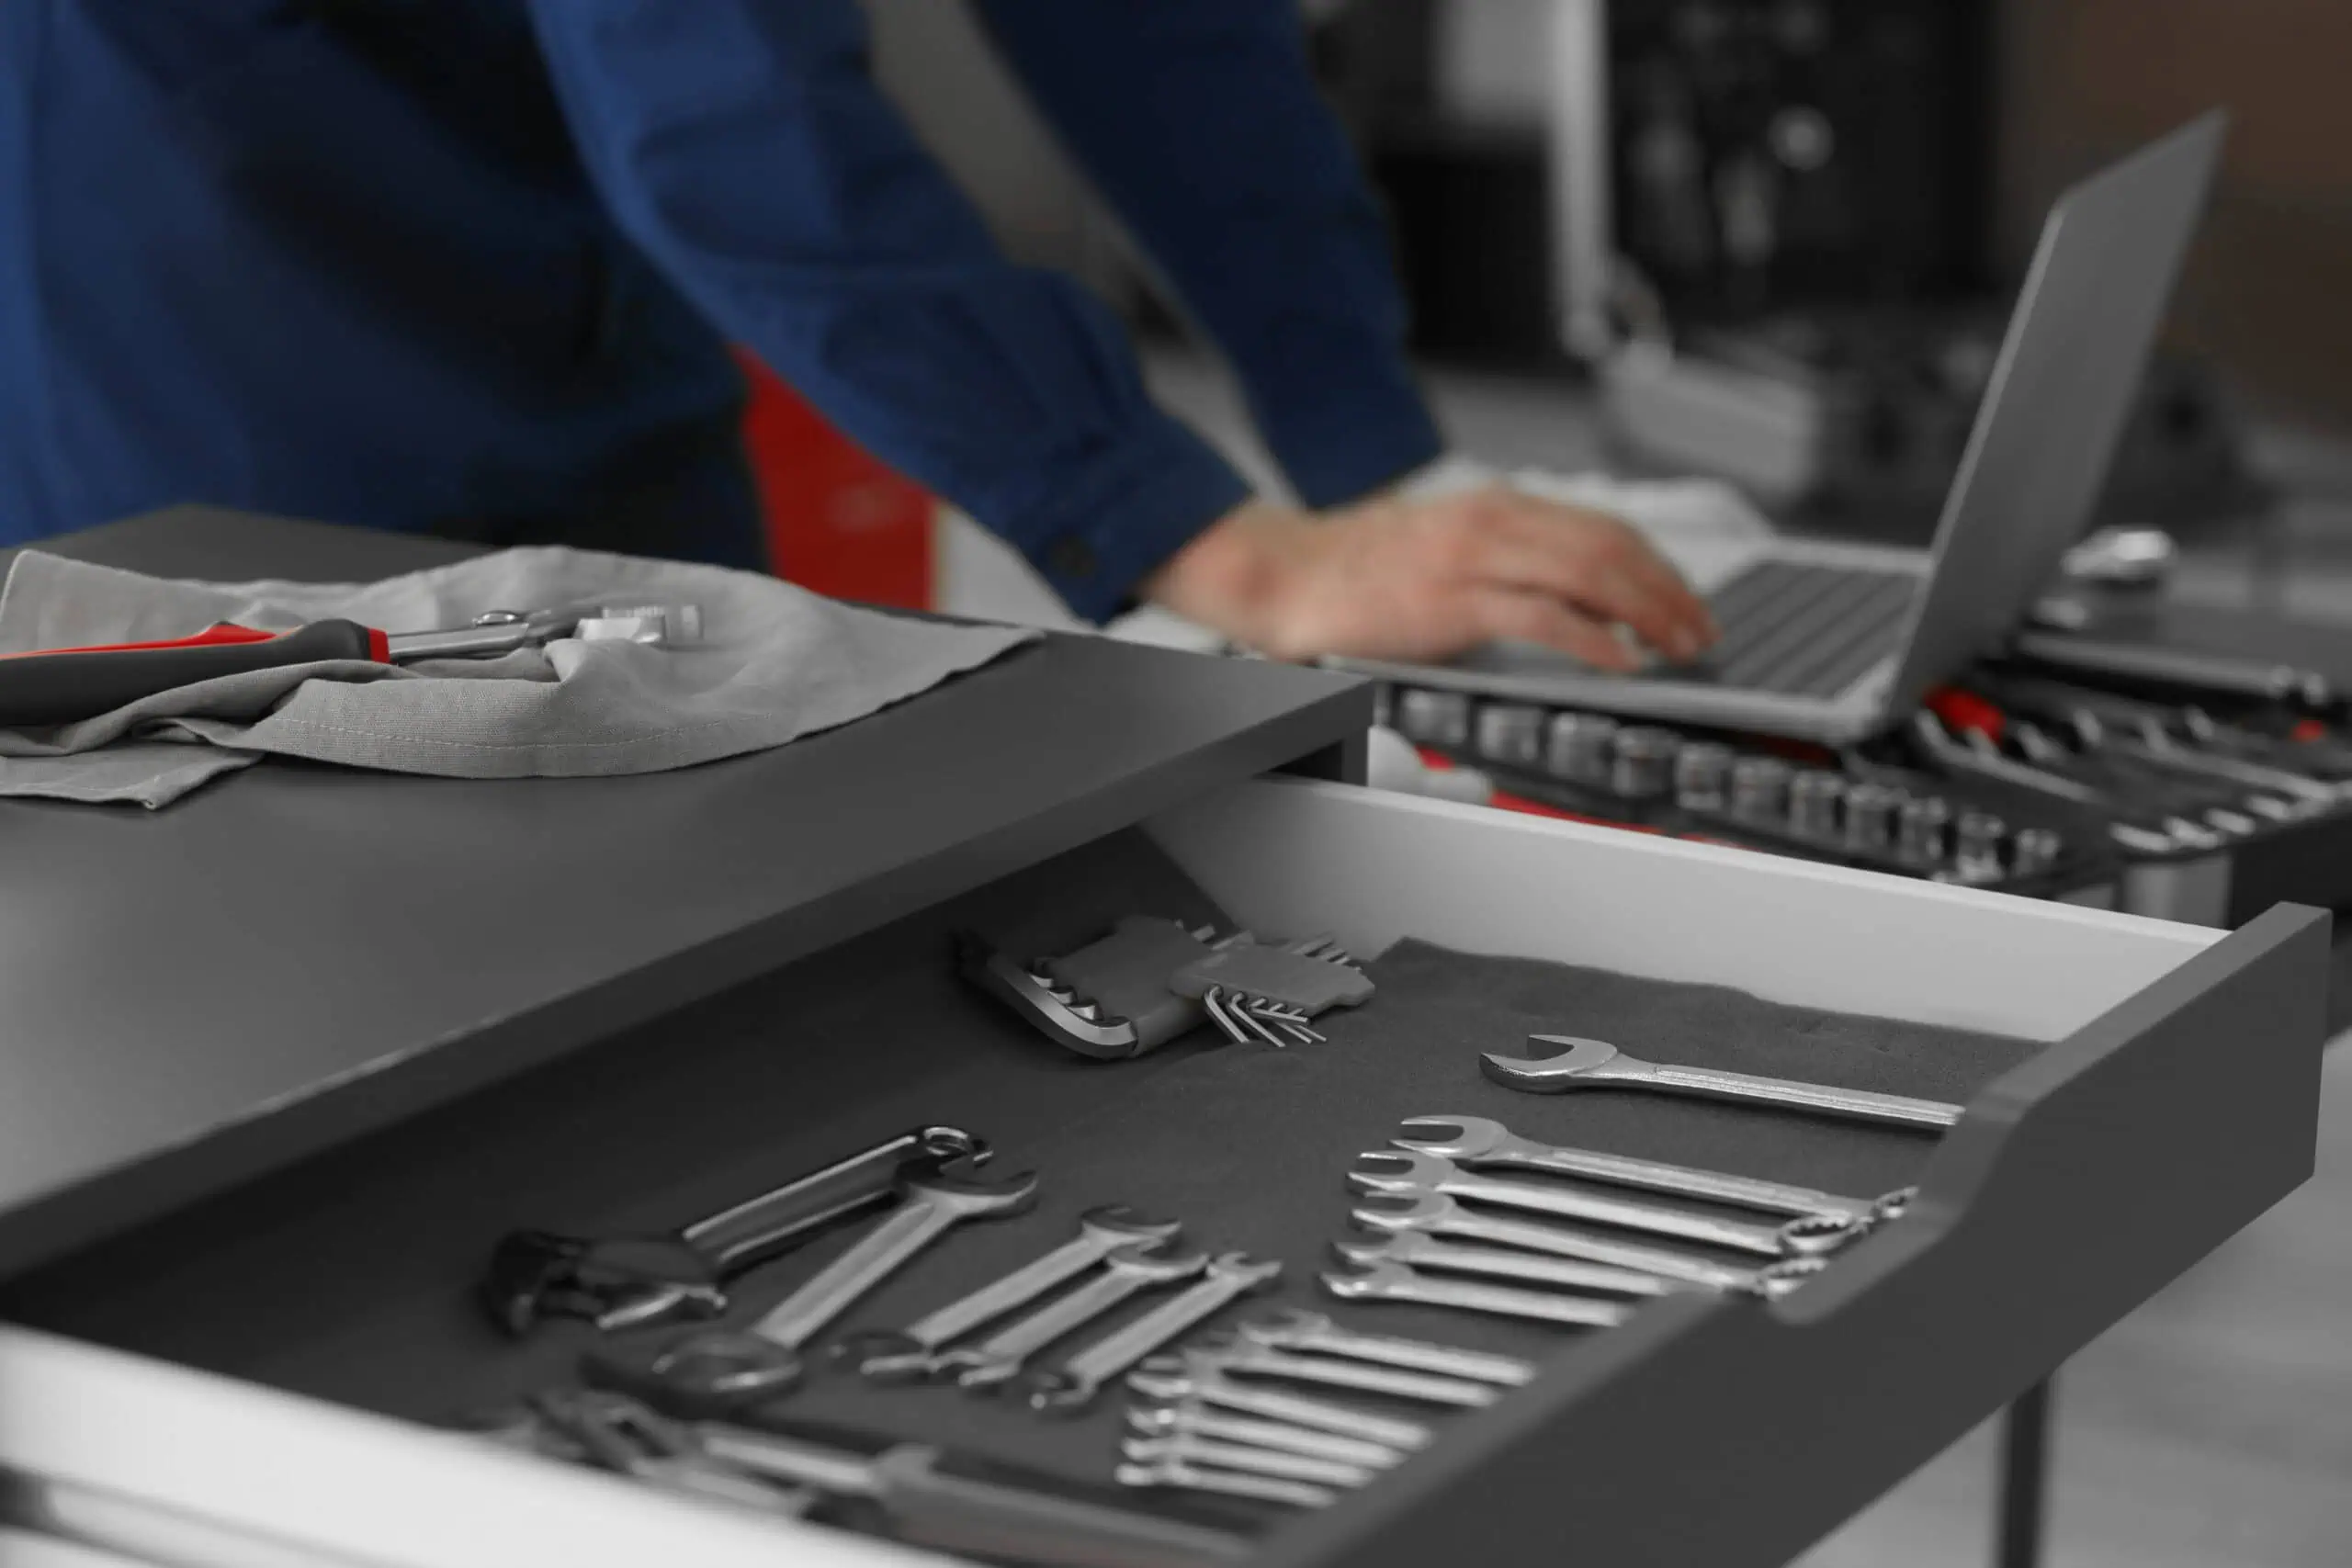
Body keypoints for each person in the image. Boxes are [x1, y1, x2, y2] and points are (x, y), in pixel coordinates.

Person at [0, 1, 1715, 669]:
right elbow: (725, 109)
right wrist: (1228, 553)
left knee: (678, 777)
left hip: (545, 270)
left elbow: (1156, 30)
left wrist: (1380, 456)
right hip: (197, 291)